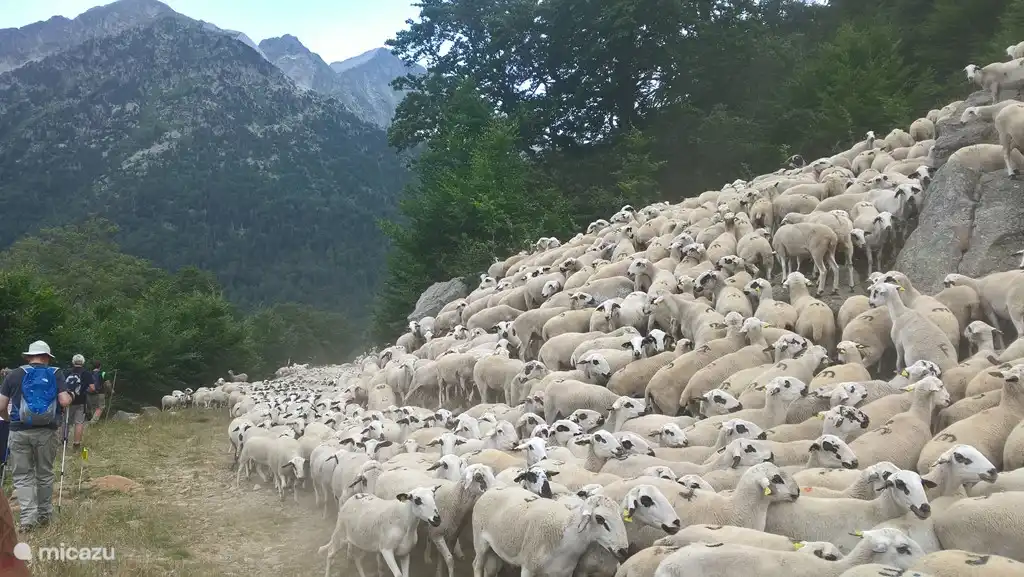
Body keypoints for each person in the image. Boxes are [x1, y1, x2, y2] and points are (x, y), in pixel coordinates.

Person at [0, 340, 72, 532]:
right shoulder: (56, 373)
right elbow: (64, 401)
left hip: (18, 431)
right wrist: (71, 395)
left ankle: (27, 519)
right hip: (47, 432)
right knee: (45, 473)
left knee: (23, 476)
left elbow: (0, 406)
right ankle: (44, 515)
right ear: (47, 357)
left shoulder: (14, 375)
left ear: (28, 357)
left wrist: (8, 420)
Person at [66, 354, 93, 450]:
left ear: (73, 362)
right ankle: (76, 444)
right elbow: (92, 388)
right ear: (83, 362)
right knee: (79, 422)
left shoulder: (67, 372)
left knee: (66, 422)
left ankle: (63, 442)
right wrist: (85, 391)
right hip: (81, 401)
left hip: (68, 400)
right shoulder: (87, 373)